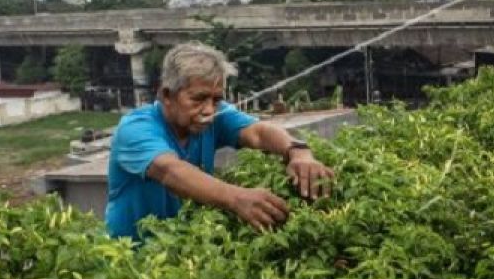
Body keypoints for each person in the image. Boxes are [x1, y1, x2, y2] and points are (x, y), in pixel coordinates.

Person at [105, 41, 335, 241]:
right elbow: (170, 171)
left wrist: (298, 151)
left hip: (181, 253)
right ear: (167, 95)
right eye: (198, 99)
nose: (208, 110)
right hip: (130, 259)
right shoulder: (136, 128)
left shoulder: (214, 115)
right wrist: (236, 198)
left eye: (216, 100)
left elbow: (258, 132)